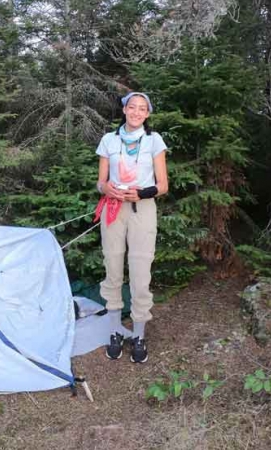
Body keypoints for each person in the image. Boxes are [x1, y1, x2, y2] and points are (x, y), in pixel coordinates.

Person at [94, 92, 169, 363]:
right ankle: (114, 330)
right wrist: (107, 188)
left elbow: (163, 186)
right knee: (112, 267)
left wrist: (142, 193)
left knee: (140, 271)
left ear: (147, 114)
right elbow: (99, 183)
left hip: (142, 209)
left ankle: (138, 334)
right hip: (112, 209)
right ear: (124, 109)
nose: (136, 112)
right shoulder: (108, 140)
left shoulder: (154, 140)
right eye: (132, 107)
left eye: (142, 109)